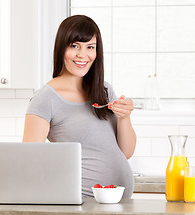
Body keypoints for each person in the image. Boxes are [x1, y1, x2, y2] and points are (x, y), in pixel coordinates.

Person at [22, 15, 136, 198]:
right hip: (80, 204)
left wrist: (125, 117)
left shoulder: (104, 91)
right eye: (74, 46)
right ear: (61, 48)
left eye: (90, 47)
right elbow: (30, 161)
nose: (83, 55)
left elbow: (126, 152)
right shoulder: (45, 98)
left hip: (119, 204)